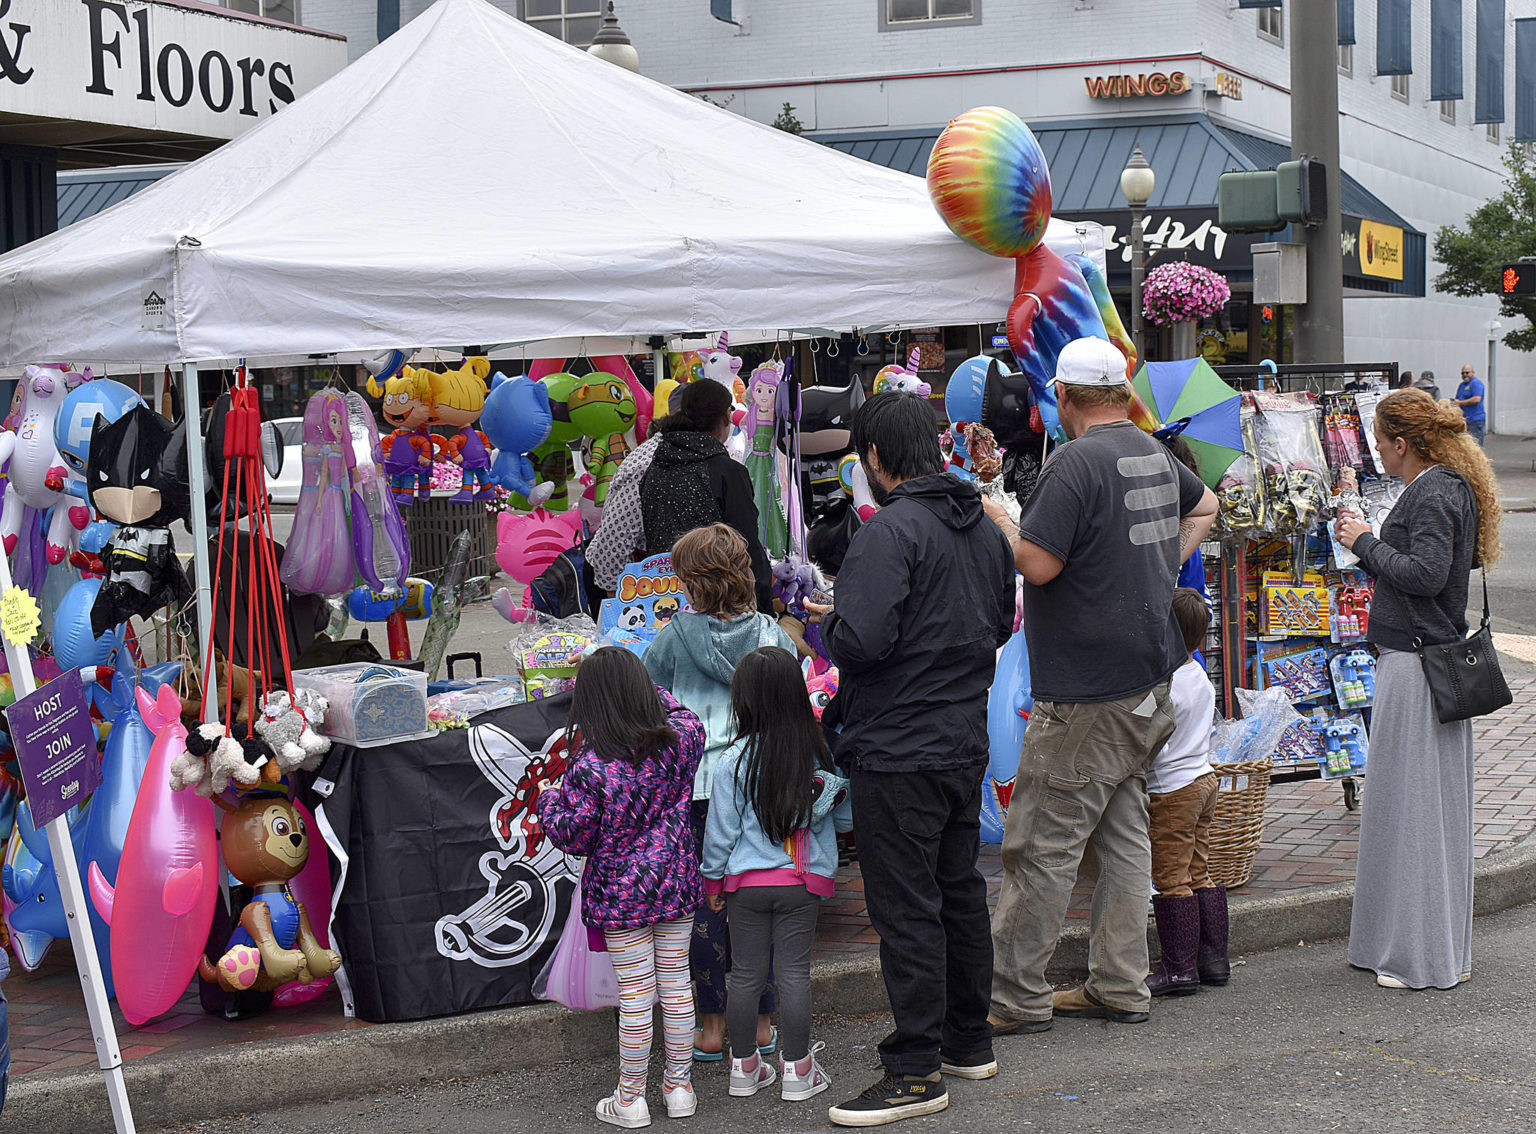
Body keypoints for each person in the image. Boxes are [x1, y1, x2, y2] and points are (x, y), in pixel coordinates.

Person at [985, 337, 1217, 1033]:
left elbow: (1039, 563)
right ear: (1121, 391)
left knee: (1039, 847)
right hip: (1149, 680)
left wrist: (1002, 520)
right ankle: (1119, 982)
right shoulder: (1152, 449)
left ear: (1062, 396)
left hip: (1085, 692)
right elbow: (1204, 506)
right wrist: (1152, 568)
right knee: (1122, 839)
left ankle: (1016, 997)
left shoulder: (1075, 461)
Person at [806, 391, 1014, 1126]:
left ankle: (917, 1069)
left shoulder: (890, 531)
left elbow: (859, 642)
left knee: (908, 906)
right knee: (956, 889)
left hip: (898, 744)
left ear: (873, 459)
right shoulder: (984, 528)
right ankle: (967, 1038)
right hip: (962, 739)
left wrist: (824, 626)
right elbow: (996, 624)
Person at [1333, 388, 1503, 990]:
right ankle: (1421, 945)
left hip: (1415, 662)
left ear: (1403, 443)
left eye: (1380, 440)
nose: (1376, 450)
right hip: (1427, 662)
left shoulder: (1432, 491)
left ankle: (1418, 956)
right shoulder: (1449, 485)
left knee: (1412, 811)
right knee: (1423, 809)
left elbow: (1427, 576)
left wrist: (1364, 543)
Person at [644, 524, 797, 1063]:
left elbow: (649, 702)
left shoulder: (672, 638)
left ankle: (710, 1026)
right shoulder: (772, 635)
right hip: (759, 780)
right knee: (758, 898)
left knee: (702, 909)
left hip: (695, 787)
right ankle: (759, 1022)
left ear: (694, 583)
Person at [536, 647, 707, 1128]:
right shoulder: (682, 737)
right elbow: (682, 711)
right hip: (674, 878)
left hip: (620, 891)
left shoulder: (590, 766)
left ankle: (631, 1098)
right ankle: (679, 1089)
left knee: (637, 994)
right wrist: (644, 694)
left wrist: (550, 802)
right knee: (676, 986)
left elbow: (576, 835)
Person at [701, 646, 852, 1103]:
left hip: (745, 886)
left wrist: (712, 880)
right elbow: (843, 819)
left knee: (745, 975)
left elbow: (720, 831)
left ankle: (744, 1069)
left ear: (742, 699)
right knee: (793, 974)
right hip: (801, 883)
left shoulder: (732, 761)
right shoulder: (818, 751)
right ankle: (797, 1070)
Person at [1145, 588, 1228, 998]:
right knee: (1200, 870)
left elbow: (1145, 739)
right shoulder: (1198, 677)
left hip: (1172, 789)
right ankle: (1213, 959)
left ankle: (1178, 968)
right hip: (1203, 779)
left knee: (1171, 878)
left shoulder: (1165, 687)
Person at [640, 379, 774, 613]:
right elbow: (747, 547)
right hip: (718, 607)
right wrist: (764, 609)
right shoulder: (726, 472)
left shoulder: (656, 467)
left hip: (659, 600)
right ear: (725, 416)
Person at [1455, 364, 1487, 446]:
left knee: (1476, 447)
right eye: (1462, 373)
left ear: (1473, 373)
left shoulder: (1476, 383)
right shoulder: (1462, 385)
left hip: (1475, 420)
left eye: (1467, 372)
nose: (1464, 375)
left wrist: (1460, 403)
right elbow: (1457, 400)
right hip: (1464, 421)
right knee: (1466, 447)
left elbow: (1476, 399)